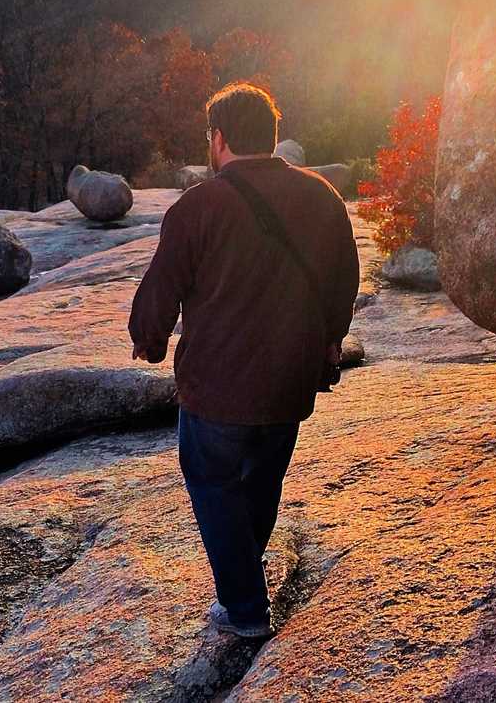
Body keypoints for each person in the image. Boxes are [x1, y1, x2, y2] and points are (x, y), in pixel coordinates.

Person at [129, 81, 360, 638]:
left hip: (217, 385)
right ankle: (246, 581)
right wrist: (328, 341)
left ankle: (245, 608)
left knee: (213, 483)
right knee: (261, 483)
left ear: (219, 138)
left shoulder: (198, 206)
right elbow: (343, 282)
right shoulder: (322, 198)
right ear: (273, 137)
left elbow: (162, 288)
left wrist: (150, 337)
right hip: (289, 381)